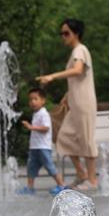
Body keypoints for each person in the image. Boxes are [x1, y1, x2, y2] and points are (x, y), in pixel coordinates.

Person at [38, 18, 98, 190]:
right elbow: (79, 78)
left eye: (66, 33)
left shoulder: (80, 49)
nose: (63, 36)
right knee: (64, 138)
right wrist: (68, 94)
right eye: (62, 33)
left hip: (84, 103)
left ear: (76, 34)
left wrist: (52, 76)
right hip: (75, 102)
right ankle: (82, 173)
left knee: (86, 140)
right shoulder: (75, 52)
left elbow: (78, 70)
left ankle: (92, 181)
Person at [17, 87, 67, 196]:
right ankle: (30, 187)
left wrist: (31, 127)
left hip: (43, 147)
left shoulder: (43, 113)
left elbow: (46, 128)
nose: (32, 102)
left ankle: (61, 185)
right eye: (30, 100)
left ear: (43, 101)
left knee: (49, 166)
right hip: (35, 147)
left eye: (35, 99)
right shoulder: (36, 113)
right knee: (31, 167)